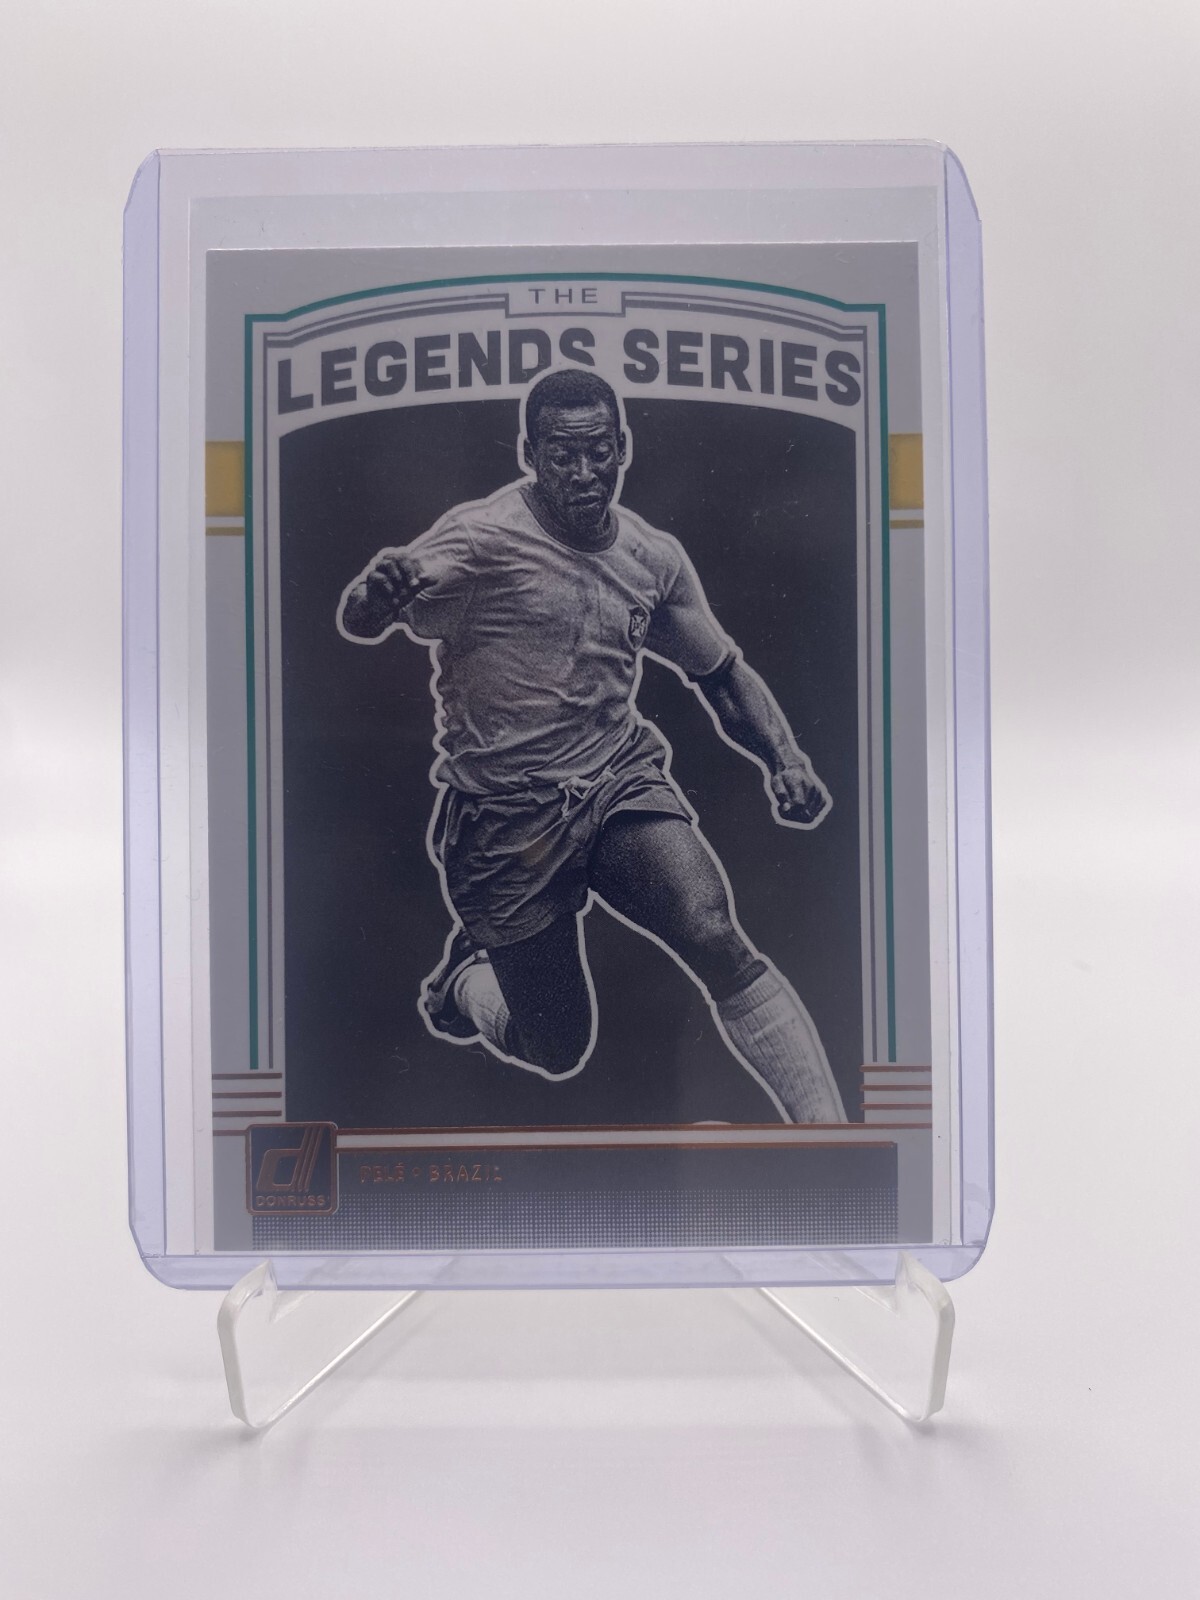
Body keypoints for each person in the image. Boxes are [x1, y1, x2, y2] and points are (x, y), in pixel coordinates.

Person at [337, 367, 846, 1123]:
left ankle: (826, 1131)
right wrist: (372, 599)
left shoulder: (650, 558)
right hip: (505, 815)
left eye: (598, 452)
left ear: (622, 448)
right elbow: (363, 616)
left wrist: (787, 759)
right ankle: (463, 983)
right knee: (558, 1045)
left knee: (713, 931)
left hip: (614, 779)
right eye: (563, 455)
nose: (583, 473)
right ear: (530, 455)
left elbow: (721, 673)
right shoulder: (479, 539)